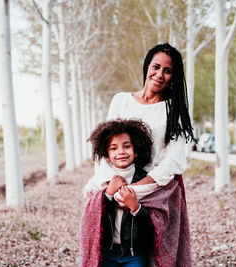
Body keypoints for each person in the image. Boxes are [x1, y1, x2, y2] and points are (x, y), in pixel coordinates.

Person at [81, 43, 195, 267]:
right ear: (147, 66)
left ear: (174, 76)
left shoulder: (173, 110)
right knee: (104, 244)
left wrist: (135, 190)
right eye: (156, 67)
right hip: (115, 182)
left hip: (154, 189)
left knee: (150, 254)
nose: (159, 75)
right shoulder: (121, 100)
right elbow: (105, 146)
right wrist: (111, 186)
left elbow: (173, 160)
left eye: (168, 70)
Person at [82, 118, 156, 266]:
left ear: (136, 151)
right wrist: (108, 193)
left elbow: (155, 224)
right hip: (106, 252)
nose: (121, 152)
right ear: (106, 155)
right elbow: (92, 217)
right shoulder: (100, 181)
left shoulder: (148, 181)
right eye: (114, 148)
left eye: (127, 146)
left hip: (137, 253)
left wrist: (135, 207)